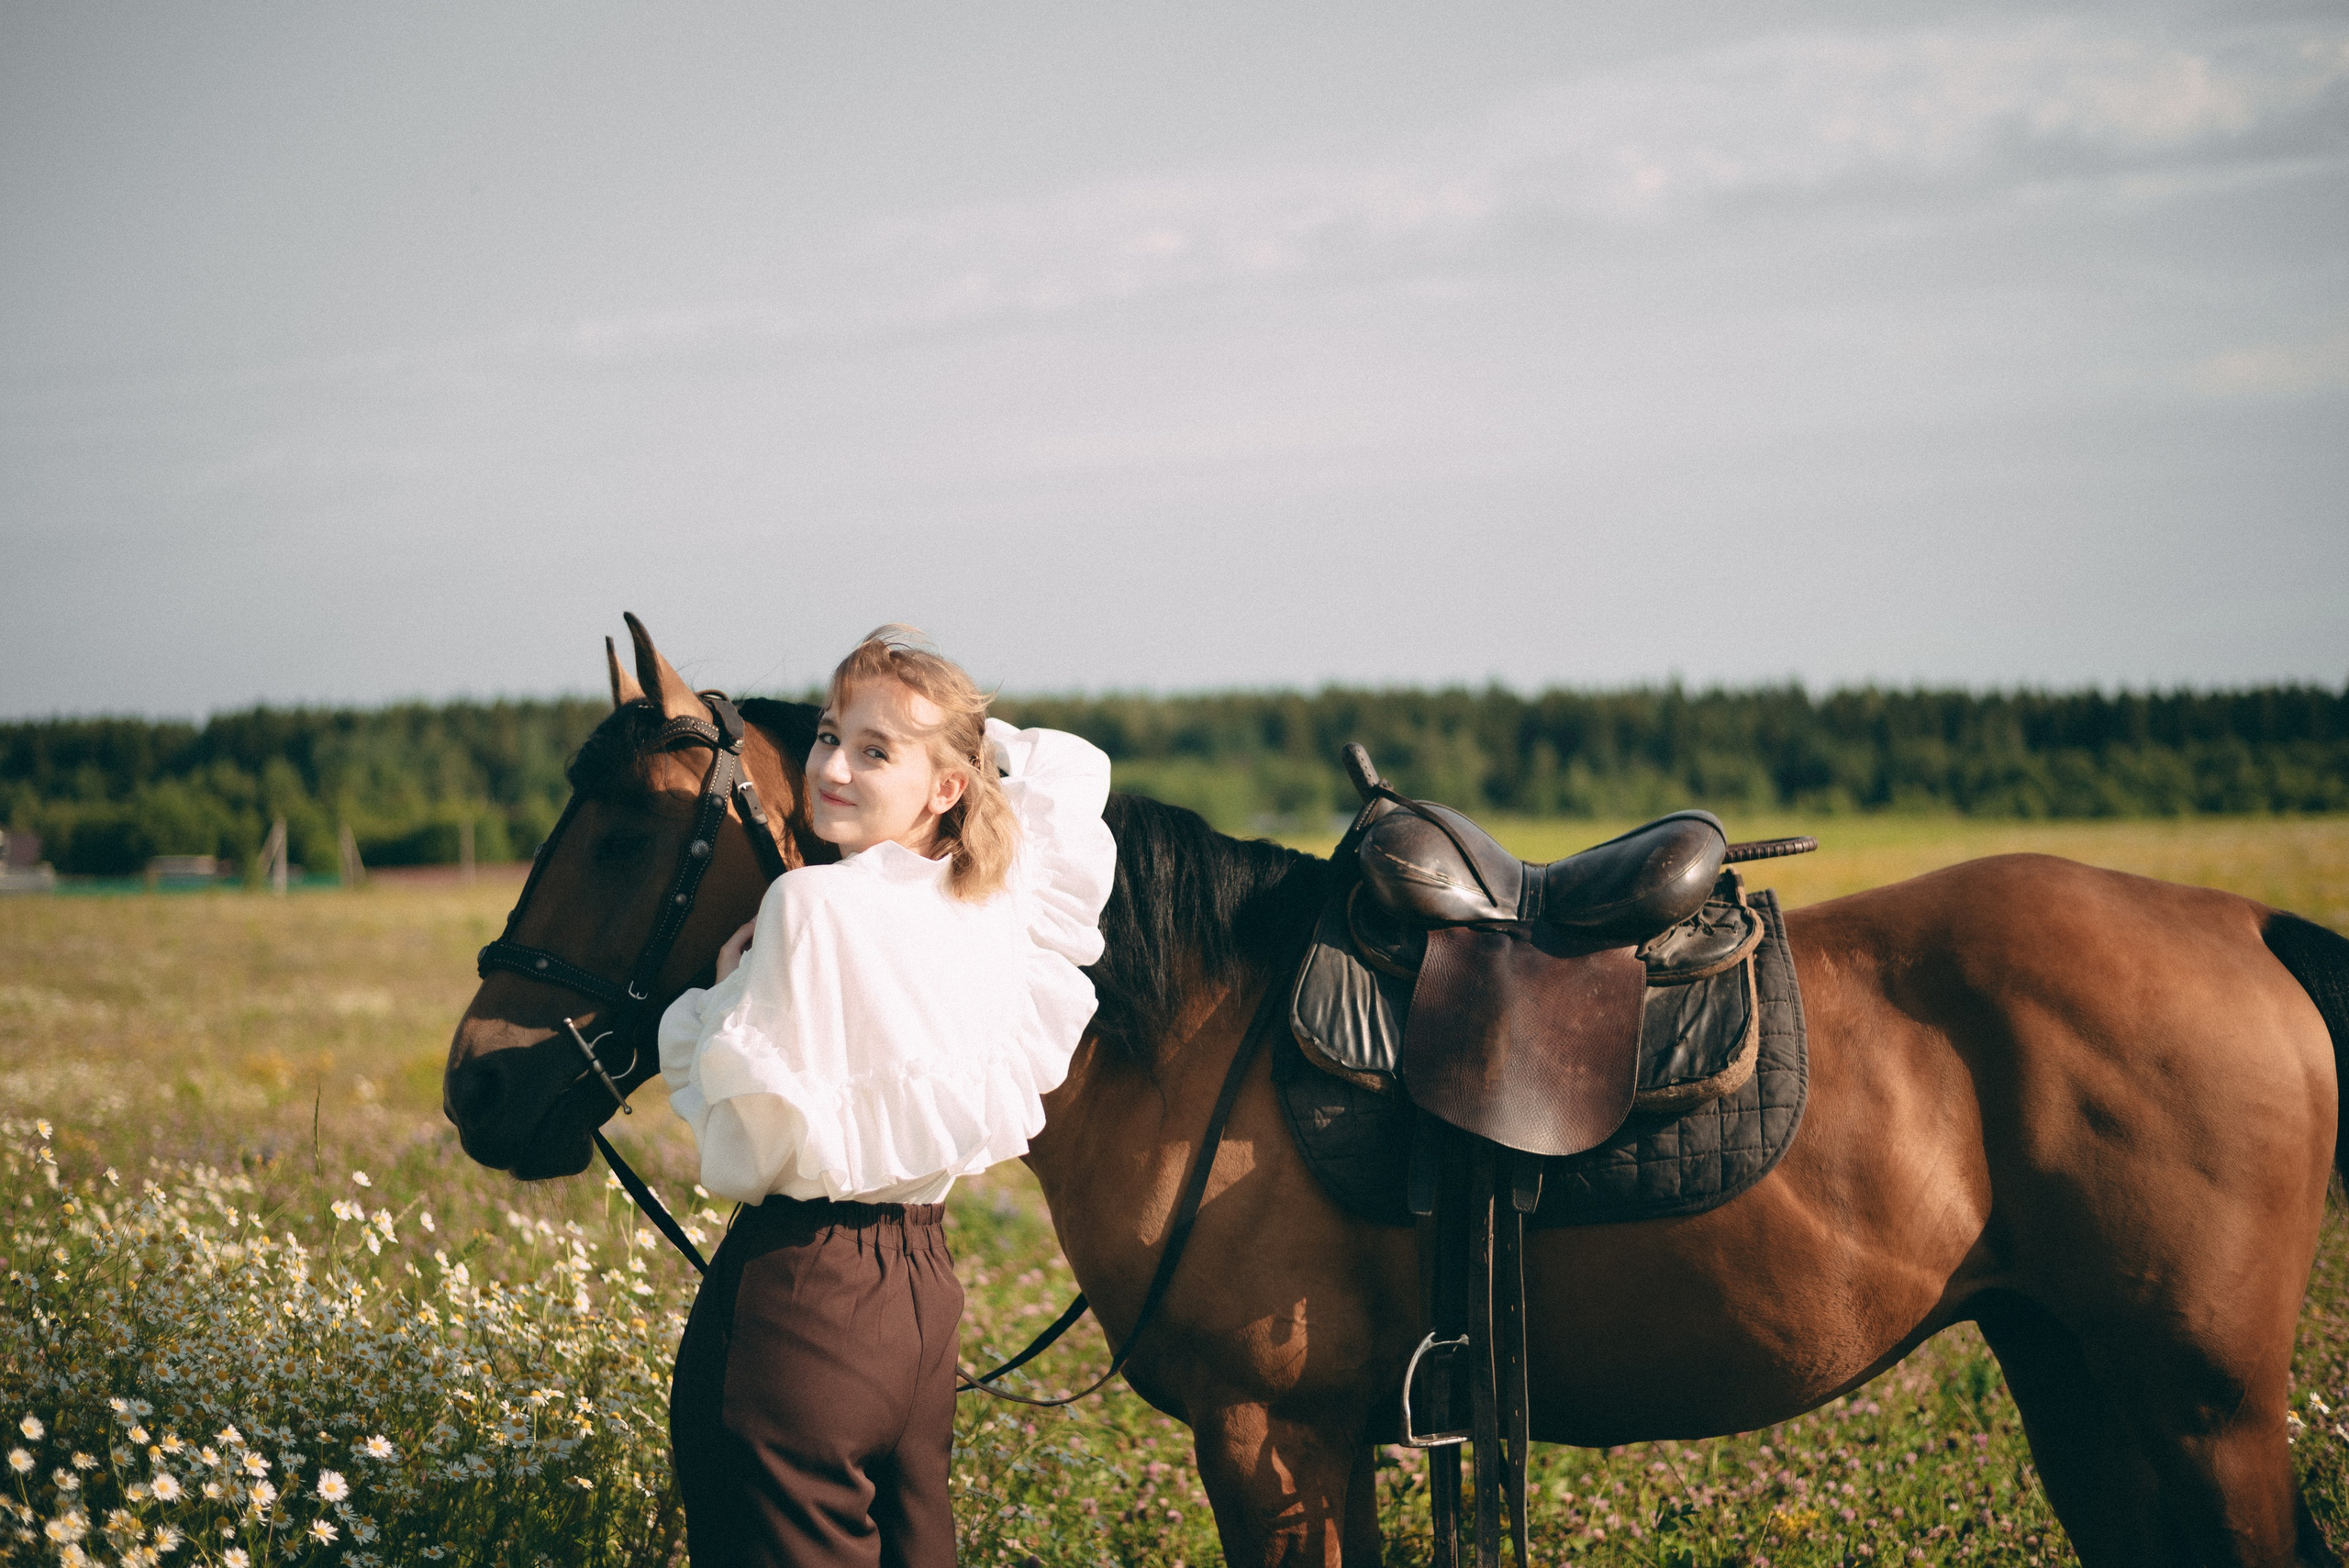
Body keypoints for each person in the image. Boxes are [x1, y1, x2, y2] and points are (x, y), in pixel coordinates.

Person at [656, 625, 1115, 1567]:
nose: (832, 765)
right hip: (923, 1305)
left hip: (801, 1298)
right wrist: (950, 738)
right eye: (828, 735)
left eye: (875, 751)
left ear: (945, 786)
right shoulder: (990, 900)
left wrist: (718, 997)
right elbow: (1053, 770)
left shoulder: (808, 907)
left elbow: (744, 1137)